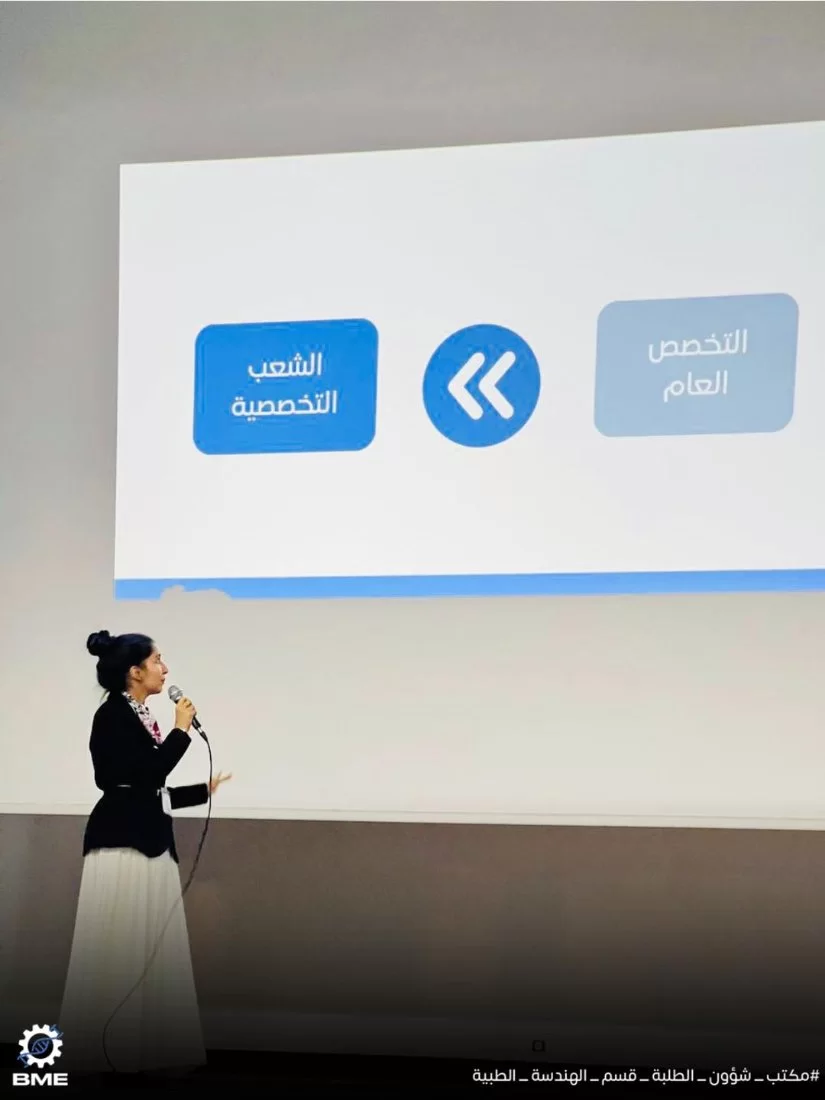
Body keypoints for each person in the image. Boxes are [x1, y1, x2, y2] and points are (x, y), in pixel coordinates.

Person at [58, 630, 231, 1076]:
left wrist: (201, 791)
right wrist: (180, 730)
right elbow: (134, 778)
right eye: (157, 661)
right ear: (134, 672)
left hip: (150, 837)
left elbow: (148, 788)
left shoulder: (139, 714)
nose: (165, 670)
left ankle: (147, 1049)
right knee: (120, 940)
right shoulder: (112, 715)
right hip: (122, 840)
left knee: (151, 941)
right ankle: (107, 1049)